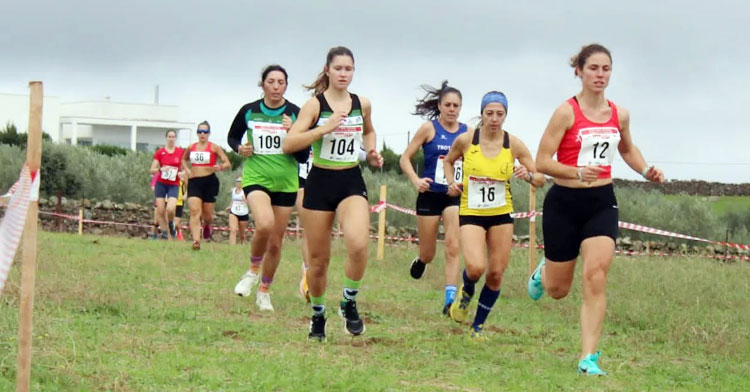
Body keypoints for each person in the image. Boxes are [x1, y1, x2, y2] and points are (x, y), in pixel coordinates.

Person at [528, 44, 665, 375]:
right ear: (579, 70)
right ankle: (544, 272)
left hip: (601, 202)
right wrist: (575, 172)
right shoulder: (566, 112)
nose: (600, 75)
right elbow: (542, 161)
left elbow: (627, 149)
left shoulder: (620, 114)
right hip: (564, 201)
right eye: (593, 68)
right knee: (558, 291)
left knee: (596, 275)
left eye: (606, 69)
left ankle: (588, 358)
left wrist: (646, 170)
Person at [282, 46, 384, 341]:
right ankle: (317, 317)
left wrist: (372, 150)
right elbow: (290, 144)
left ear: (354, 72)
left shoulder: (361, 103)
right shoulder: (314, 105)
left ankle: (348, 301)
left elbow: (369, 130)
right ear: (327, 70)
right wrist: (323, 129)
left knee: (358, 243)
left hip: (351, 179)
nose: (343, 74)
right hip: (320, 182)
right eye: (338, 68)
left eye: (348, 69)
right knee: (318, 261)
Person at [443, 91, 544, 340]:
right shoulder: (466, 140)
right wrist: (451, 183)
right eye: (489, 113)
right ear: (482, 114)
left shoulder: (514, 144)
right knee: (476, 268)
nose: (494, 119)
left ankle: (477, 326)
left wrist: (528, 175)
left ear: (506, 115)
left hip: (501, 213)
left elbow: (540, 177)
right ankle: (466, 292)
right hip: (472, 212)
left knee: (496, 273)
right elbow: (448, 161)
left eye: (500, 114)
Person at [228, 64, 307, 312]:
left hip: (286, 182)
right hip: (256, 177)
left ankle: (264, 290)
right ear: (262, 84)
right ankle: (252, 271)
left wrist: (292, 132)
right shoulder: (249, 111)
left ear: (286, 85)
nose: (275, 87)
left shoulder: (295, 113)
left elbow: (305, 156)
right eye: (271, 81)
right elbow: (232, 137)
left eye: (280, 82)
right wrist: (240, 148)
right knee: (264, 223)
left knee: (275, 243)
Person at [399, 81, 467, 315]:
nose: (451, 109)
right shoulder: (429, 129)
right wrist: (416, 180)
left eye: (456, 105)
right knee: (429, 252)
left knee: (452, 245)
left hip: (453, 197)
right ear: (439, 106)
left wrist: (461, 184)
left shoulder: (467, 133)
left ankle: (450, 300)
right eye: (447, 104)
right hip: (429, 195)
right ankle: (421, 261)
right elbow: (404, 158)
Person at [181, 121, 231, 250]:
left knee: (207, 215)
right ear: (197, 133)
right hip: (194, 181)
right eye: (200, 131)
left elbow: (227, 163)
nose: (202, 134)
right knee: (194, 212)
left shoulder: (214, 147)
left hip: (210, 182)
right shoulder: (191, 147)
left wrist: (219, 167)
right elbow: (183, 159)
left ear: (209, 133)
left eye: (205, 132)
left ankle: (207, 225)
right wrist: (187, 170)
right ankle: (196, 241)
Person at [149, 130, 184, 239]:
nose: (171, 138)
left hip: (174, 184)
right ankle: (164, 233)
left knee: (170, 209)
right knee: (160, 210)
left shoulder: (180, 152)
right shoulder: (160, 152)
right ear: (166, 138)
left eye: (173, 136)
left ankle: (170, 223)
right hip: (161, 184)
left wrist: (181, 173)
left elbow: (186, 168)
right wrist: (161, 169)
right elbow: (152, 169)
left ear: (175, 138)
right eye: (169, 136)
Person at [296, 150, 313, 302]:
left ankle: (311, 269)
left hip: (328, 184)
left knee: (321, 234)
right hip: (302, 182)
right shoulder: (300, 128)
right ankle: (307, 277)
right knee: (308, 228)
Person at [226, 177, 249, 245]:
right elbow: (233, 199)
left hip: (243, 212)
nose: (239, 183)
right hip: (233, 211)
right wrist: (229, 206)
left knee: (242, 233)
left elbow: (249, 202)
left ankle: (242, 242)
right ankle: (232, 247)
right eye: (238, 181)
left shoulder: (245, 191)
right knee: (233, 229)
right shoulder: (234, 190)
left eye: (241, 181)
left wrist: (245, 200)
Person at [174, 174, 188, 240]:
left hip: (179, 201)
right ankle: (177, 234)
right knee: (170, 221)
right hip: (169, 200)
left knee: (176, 222)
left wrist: (185, 195)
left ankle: (179, 233)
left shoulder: (183, 175)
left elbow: (189, 186)